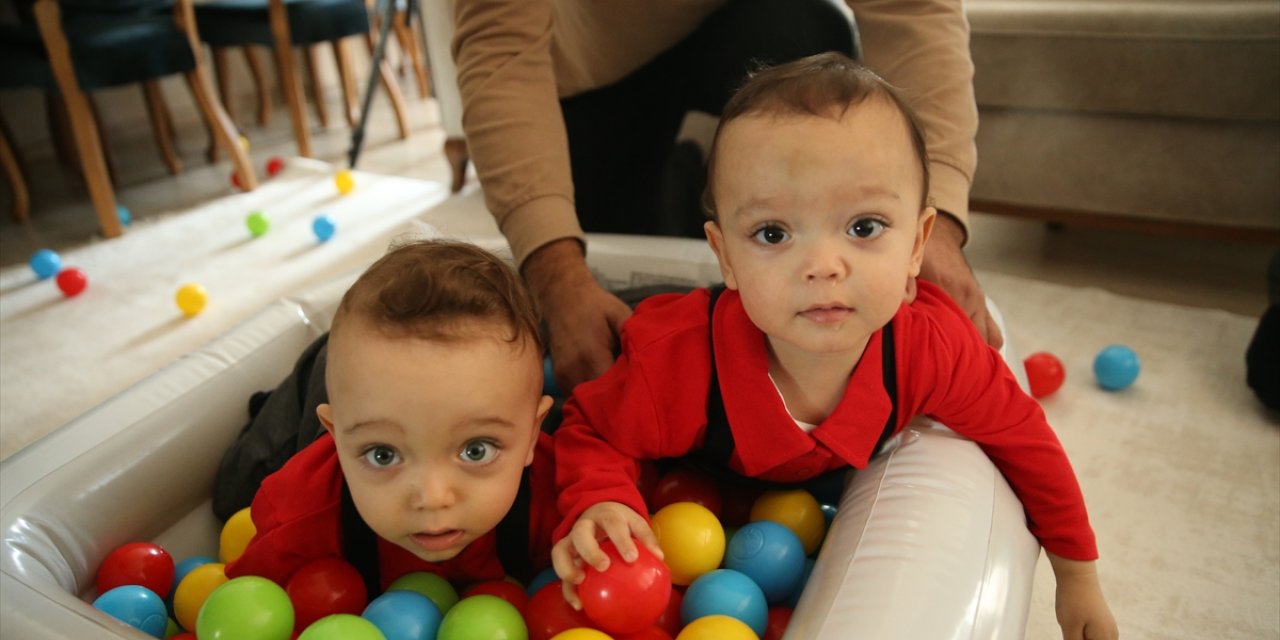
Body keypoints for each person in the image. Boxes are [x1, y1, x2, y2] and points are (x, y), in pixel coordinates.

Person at [548, 54, 1119, 640]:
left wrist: (1078, 576)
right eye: (773, 234)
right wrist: (602, 501)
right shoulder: (672, 365)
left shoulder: (929, 346)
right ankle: (675, 174)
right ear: (725, 256)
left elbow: (1025, 438)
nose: (823, 267)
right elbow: (590, 425)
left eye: (864, 227)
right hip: (668, 338)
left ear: (918, 245)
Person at [451, 0, 1001, 396]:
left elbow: (915, 13)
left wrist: (939, 220)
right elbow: (500, 47)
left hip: (744, 28)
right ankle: (686, 180)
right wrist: (554, 271)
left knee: (805, 30)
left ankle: (700, 179)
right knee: (597, 319)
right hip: (580, 76)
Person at [225, 240, 558, 591]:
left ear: (533, 435)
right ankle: (314, 366)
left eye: (477, 449)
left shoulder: (562, 498)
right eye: (382, 454)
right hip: (320, 425)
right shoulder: (295, 518)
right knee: (233, 488)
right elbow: (241, 611)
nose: (432, 497)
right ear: (336, 438)